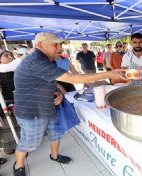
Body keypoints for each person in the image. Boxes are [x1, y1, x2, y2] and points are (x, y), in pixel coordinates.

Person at [13, 32, 127, 176]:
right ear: (40, 45)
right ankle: (19, 164)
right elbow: (72, 79)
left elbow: (50, 80)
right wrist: (109, 74)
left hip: (49, 104)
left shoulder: (49, 60)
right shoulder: (35, 61)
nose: (60, 47)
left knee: (56, 133)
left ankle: (54, 156)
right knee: (30, 141)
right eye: (55, 44)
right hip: (32, 109)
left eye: (60, 44)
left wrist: (59, 93)